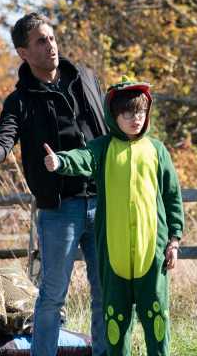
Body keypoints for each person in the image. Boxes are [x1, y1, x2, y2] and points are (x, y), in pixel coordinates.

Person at [0, 12, 107, 356]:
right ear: (23, 53)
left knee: (104, 293)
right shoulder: (20, 100)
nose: (51, 45)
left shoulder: (85, 79)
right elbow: (2, 140)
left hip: (102, 202)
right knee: (52, 298)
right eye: (41, 41)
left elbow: (109, 127)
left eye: (52, 38)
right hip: (60, 210)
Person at [43, 78, 184, 356]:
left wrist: (174, 240)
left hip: (152, 251)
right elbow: (82, 157)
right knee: (116, 319)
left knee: (156, 315)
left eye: (140, 112)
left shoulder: (157, 150)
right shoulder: (103, 148)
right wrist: (60, 161)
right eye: (128, 114)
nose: (136, 119)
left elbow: (172, 197)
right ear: (113, 116)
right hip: (113, 252)